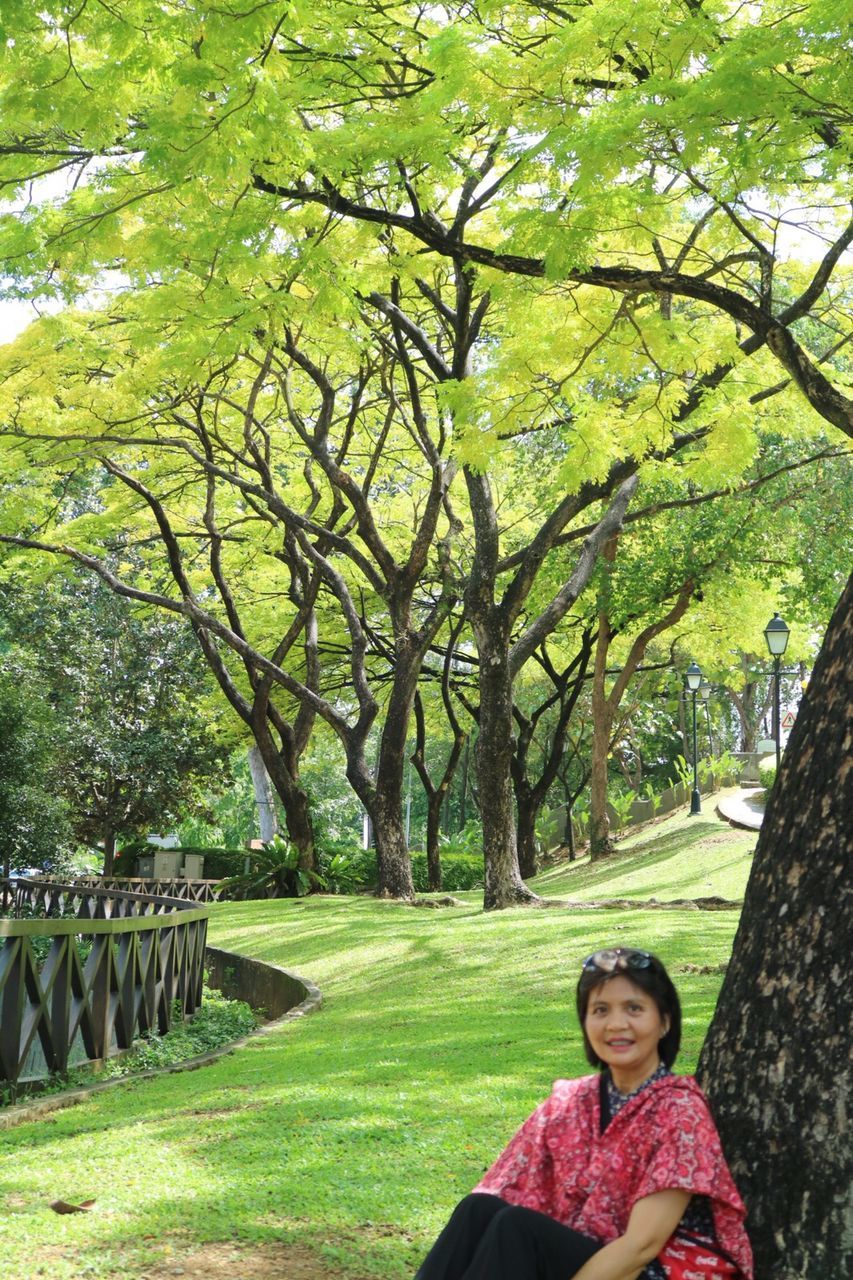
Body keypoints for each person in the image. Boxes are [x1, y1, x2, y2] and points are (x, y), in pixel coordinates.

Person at [414, 947, 753, 1280]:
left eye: (634, 1008)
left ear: (664, 1021)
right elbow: (509, 1186)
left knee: (517, 1228)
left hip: (654, 1269)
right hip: (589, 1247)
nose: (616, 1024)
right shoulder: (573, 1100)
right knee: (480, 1209)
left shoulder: (679, 1110)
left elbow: (641, 1247)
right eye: (600, 1010)